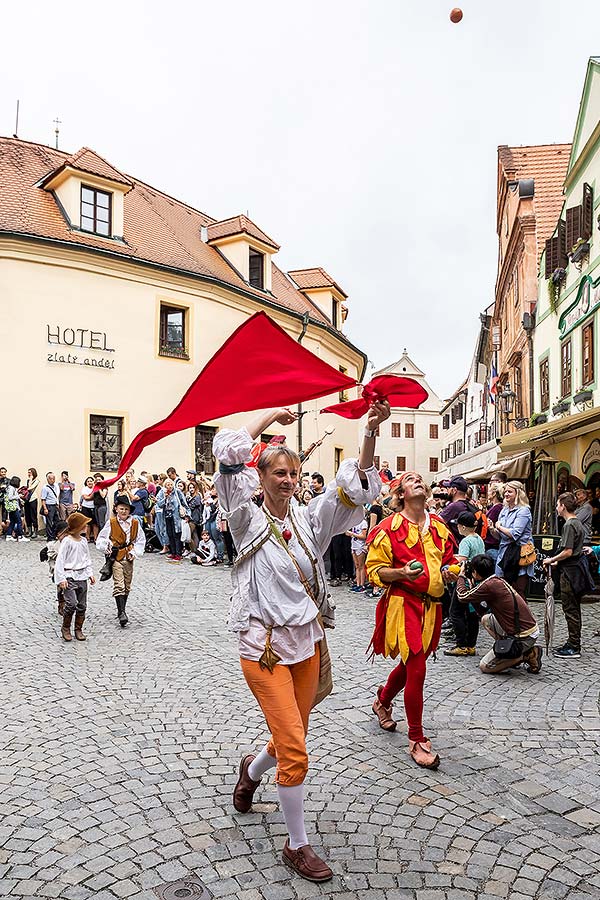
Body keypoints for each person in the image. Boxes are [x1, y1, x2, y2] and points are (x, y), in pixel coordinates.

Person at [215, 402, 386, 883]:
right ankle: (297, 845)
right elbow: (227, 453)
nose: (289, 480)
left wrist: (369, 433)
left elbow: (353, 491)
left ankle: (250, 771)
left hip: (307, 645)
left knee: (293, 736)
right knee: (295, 750)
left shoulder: (311, 519)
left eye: (294, 473)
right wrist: (270, 417)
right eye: (280, 473)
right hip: (263, 649)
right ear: (260, 476)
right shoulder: (243, 517)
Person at [366, 471, 457, 770]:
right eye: (409, 479)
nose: (417, 480)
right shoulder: (388, 528)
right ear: (401, 493)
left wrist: (452, 570)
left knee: (409, 665)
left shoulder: (440, 526)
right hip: (403, 604)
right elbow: (375, 571)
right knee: (417, 667)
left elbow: (450, 560)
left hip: (432, 608)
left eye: (420, 478)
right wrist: (402, 574)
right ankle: (416, 739)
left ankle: (382, 699)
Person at [456, 554, 542, 674]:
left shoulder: (489, 585)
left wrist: (461, 576)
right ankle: (509, 650)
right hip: (525, 629)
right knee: (486, 619)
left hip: (523, 635)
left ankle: (526, 655)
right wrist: (474, 596)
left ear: (475, 572)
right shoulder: (496, 580)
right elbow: (482, 613)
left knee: (485, 666)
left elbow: (462, 596)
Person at [543, 492, 594, 659]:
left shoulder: (570, 524)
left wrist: (552, 559)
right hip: (573, 569)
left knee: (570, 608)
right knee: (573, 608)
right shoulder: (576, 522)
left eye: (558, 505)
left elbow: (568, 551)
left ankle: (574, 645)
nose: (557, 508)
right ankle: (573, 642)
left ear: (563, 506)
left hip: (571, 572)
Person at [97, 496, 146, 627]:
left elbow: (140, 540)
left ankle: (122, 608)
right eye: (121, 509)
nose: (124, 511)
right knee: (119, 584)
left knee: (127, 585)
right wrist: (107, 546)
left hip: (128, 557)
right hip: (116, 556)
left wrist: (134, 552)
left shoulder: (135, 523)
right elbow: (101, 538)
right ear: (116, 509)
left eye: (126, 509)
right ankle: (122, 612)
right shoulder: (111, 522)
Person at [444, 510, 485, 657]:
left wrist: (450, 561)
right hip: (476, 580)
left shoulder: (465, 541)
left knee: (455, 612)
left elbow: (461, 560)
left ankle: (461, 644)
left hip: (464, 579)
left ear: (462, 527)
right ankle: (471, 645)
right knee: (472, 613)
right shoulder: (478, 539)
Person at [55, 512, 95, 642]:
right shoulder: (67, 541)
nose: (86, 527)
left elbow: (86, 559)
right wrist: (61, 578)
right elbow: (60, 560)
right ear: (78, 527)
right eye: (84, 525)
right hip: (69, 575)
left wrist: (90, 573)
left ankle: (78, 629)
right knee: (71, 603)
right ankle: (66, 627)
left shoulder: (83, 541)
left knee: (82, 605)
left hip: (82, 575)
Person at [492, 481, 534, 596]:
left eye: (509, 492)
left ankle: (521, 614)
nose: (506, 494)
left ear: (518, 493)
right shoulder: (504, 510)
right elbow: (500, 536)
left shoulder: (523, 511)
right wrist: (492, 529)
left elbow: (515, 534)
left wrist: (499, 526)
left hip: (519, 555)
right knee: (503, 590)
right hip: (504, 553)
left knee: (517, 592)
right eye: (505, 491)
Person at [155, 478, 190, 561]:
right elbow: (159, 504)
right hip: (167, 516)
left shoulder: (177, 492)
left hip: (176, 517)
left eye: (171, 484)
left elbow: (184, 503)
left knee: (176, 535)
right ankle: (173, 552)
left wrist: (187, 515)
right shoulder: (162, 493)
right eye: (168, 485)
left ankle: (178, 553)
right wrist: (165, 498)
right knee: (170, 534)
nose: (170, 486)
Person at [45, 520, 70, 616]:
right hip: (59, 571)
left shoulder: (71, 542)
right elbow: (52, 561)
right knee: (60, 589)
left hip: (70, 569)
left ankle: (70, 603)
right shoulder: (55, 546)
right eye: (63, 533)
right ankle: (61, 604)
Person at [347, 515, 368, 592]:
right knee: (357, 565)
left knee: (361, 565)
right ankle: (358, 584)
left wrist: (352, 534)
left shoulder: (363, 523)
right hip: (354, 545)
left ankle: (362, 584)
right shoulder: (354, 523)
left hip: (360, 545)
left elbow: (363, 536)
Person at [4, 475, 28, 541]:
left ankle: (9, 536)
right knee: (19, 521)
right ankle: (20, 536)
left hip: (11, 508)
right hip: (14, 508)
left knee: (12, 522)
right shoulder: (12, 488)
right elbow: (10, 497)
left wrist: (20, 499)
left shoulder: (10, 488)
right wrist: (18, 496)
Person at [484, 482, 503, 562]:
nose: (487, 493)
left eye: (489, 490)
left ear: (494, 493)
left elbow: (488, 524)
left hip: (492, 544)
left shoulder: (496, 508)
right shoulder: (497, 507)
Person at [40, 472, 60, 541]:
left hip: (54, 506)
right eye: (51, 479)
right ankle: (49, 537)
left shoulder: (55, 486)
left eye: (54, 478)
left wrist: (57, 504)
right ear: (48, 479)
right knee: (49, 522)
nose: (53, 480)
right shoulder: (45, 488)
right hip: (49, 506)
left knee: (57, 521)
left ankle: (54, 534)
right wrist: (45, 508)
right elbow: (43, 499)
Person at [24, 467, 40, 538]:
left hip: (33, 499)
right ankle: (29, 531)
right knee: (27, 515)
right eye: (28, 472)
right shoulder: (28, 481)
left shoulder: (36, 481)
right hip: (27, 500)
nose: (29, 474)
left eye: (30, 472)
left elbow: (30, 488)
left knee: (33, 516)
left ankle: (35, 531)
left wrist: (30, 479)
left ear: (33, 473)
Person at [92, 473, 109, 539]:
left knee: (102, 523)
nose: (98, 480)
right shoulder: (96, 487)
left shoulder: (104, 487)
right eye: (97, 479)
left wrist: (99, 488)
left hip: (102, 506)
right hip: (96, 506)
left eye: (99, 479)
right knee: (98, 523)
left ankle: (104, 537)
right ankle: (100, 536)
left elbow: (103, 496)